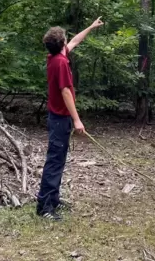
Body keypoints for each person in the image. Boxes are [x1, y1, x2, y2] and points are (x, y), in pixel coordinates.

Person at [36, 17, 104, 221]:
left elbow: (75, 41)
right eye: (65, 39)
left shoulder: (56, 56)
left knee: (59, 160)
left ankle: (53, 200)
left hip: (58, 118)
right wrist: (77, 120)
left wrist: (91, 27)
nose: (69, 41)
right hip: (60, 119)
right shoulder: (60, 63)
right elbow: (65, 91)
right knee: (55, 162)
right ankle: (45, 207)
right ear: (61, 43)